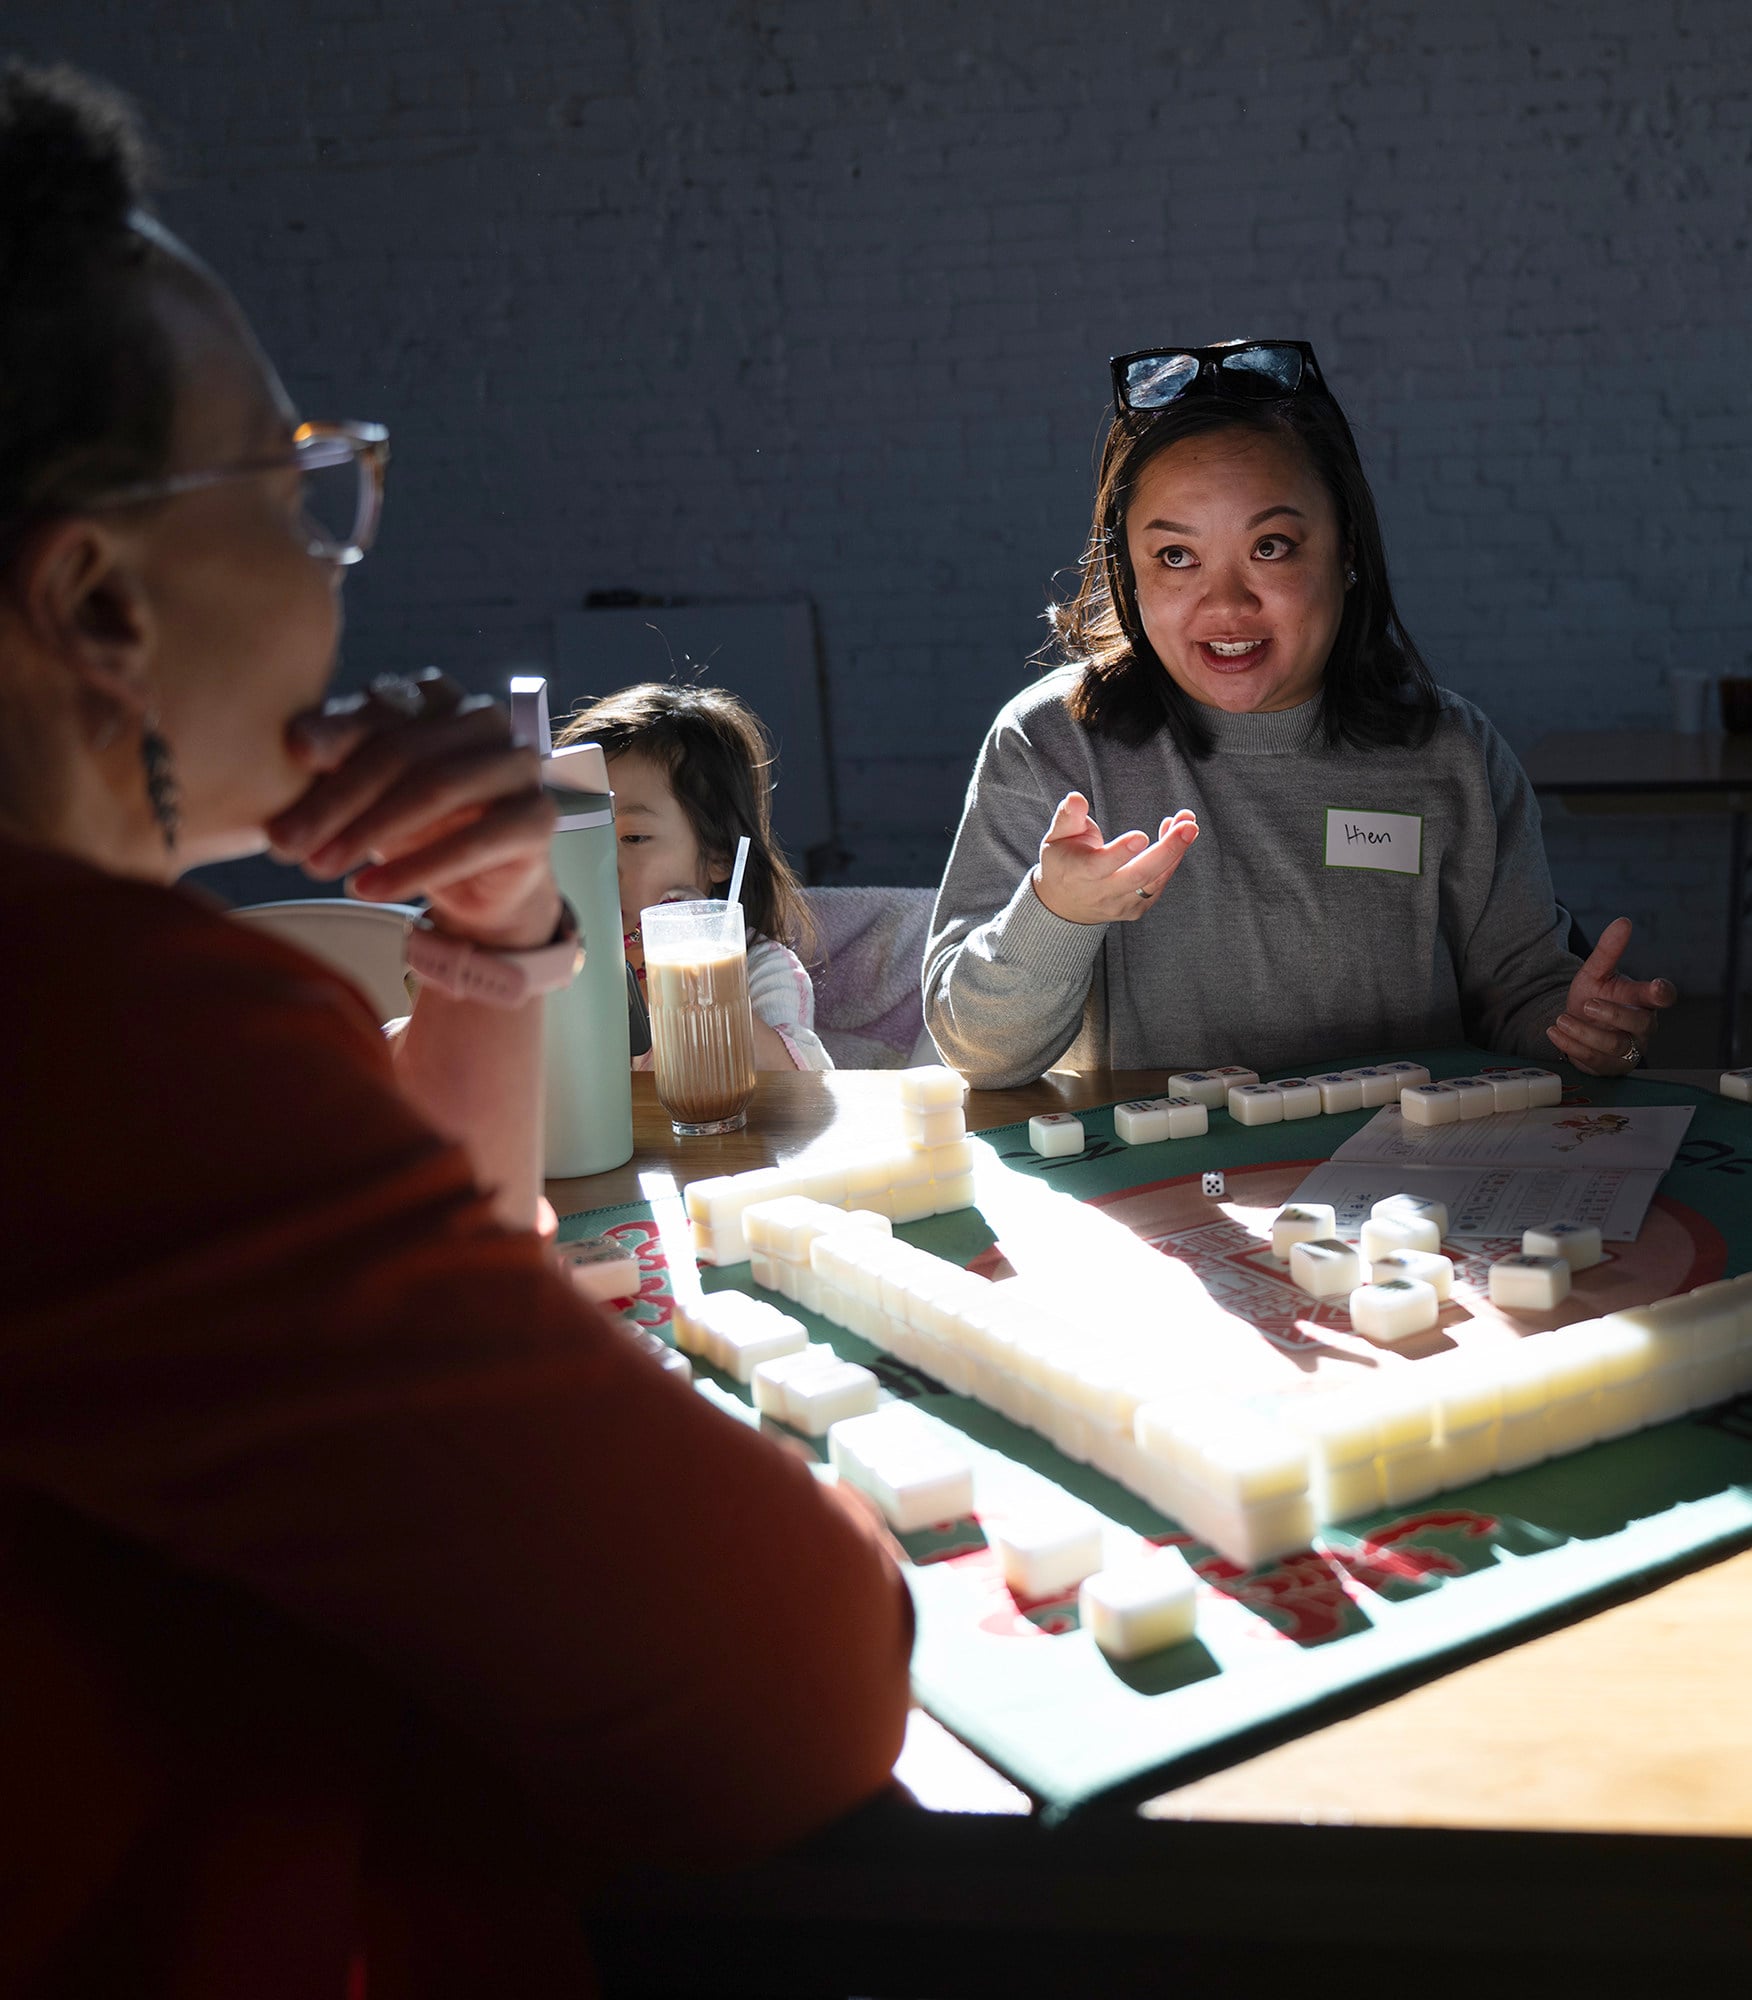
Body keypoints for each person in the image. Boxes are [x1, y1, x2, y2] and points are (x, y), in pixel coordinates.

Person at [0, 64, 908, 1988]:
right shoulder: (100, 1034)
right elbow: (803, 1680)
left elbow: (437, 1333)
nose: (339, 549)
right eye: (287, 486)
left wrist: (494, 940)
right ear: (96, 598)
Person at [923, 339, 1675, 1085]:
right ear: (1127, 571)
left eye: (1272, 547)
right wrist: (1059, 912)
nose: (1227, 604)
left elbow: (1521, 1001)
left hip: (1404, 1189)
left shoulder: (1453, 751)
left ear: (1348, 548)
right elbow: (983, 1056)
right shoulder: (1050, 744)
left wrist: (1581, 1028)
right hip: (1168, 1190)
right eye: (1176, 557)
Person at [558, 680, 833, 1071]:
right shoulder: (555, 968)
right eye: (582, 836)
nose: (601, 862)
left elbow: (806, 1087)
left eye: (633, 837)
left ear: (719, 854)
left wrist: (702, 975)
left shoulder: (758, 968)